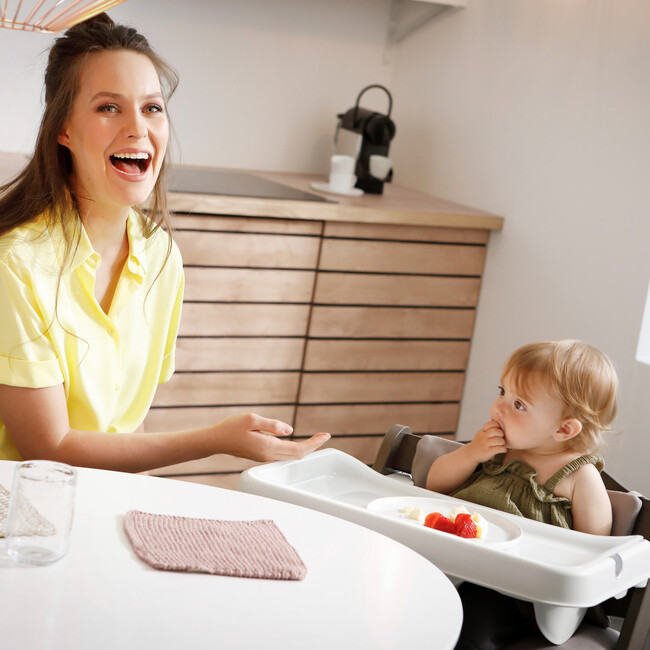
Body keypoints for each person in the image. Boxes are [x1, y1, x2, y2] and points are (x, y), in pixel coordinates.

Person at [0, 13, 330, 472]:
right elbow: (47, 447)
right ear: (64, 130)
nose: (138, 128)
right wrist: (215, 440)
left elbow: (126, 427)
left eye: (152, 107)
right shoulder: (16, 263)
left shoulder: (160, 257)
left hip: (94, 501)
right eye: (108, 107)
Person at [426, 339, 619, 649]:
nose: (499, 407)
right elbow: (435, 487)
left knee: (470, 622)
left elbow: (593, 550)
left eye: (519, 405)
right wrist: (471, 454)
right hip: (449, 562)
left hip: (513, 593)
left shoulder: (579, 476)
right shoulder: (495, 448)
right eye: (503, 392)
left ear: (564, 430)